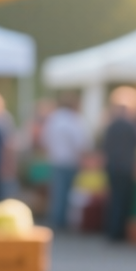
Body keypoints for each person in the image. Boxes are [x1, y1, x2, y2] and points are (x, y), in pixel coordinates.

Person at [102, 86, 136, 242]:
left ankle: (111, 230)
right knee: (123, 199)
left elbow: (105, 146)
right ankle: (118, 232)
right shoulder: (131, 126)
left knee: (114, 199)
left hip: (112, 165)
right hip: (126, 166)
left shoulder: (111, 125)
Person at [42, 92, 89, 230]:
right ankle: (63, 222)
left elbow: (45, 139)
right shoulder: (74, 120)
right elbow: (81, 143)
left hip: (56, 160)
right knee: (68, 194)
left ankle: (57, 220)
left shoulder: (54, 119)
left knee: (58, 192)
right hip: (70, 161)